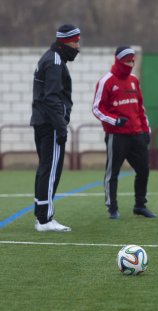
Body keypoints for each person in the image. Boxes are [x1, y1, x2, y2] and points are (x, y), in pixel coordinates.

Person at [92, 46, 156, 219]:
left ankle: (140, 205)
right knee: (112, 173)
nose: (131, 64)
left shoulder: (134, 80)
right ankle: (112, 208)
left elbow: (140, 108)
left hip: (137, 134)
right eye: (127, 60)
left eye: (132, 60)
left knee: (143, 169)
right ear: (119, 61)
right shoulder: (106, 80)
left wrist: (146, 130)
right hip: (117, 136)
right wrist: (115, 121)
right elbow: (97, 108)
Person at [30, 24, 81, 232]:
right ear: (65, 41)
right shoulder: (55, 62)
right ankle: (45, 219)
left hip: (42, 121)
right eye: (75, 42)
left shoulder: (50, 58)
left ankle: (41, 214)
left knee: (45, 170)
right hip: (50, 124)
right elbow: (52, 98)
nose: (78, 46)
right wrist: (61, 126)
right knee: (50, 171)